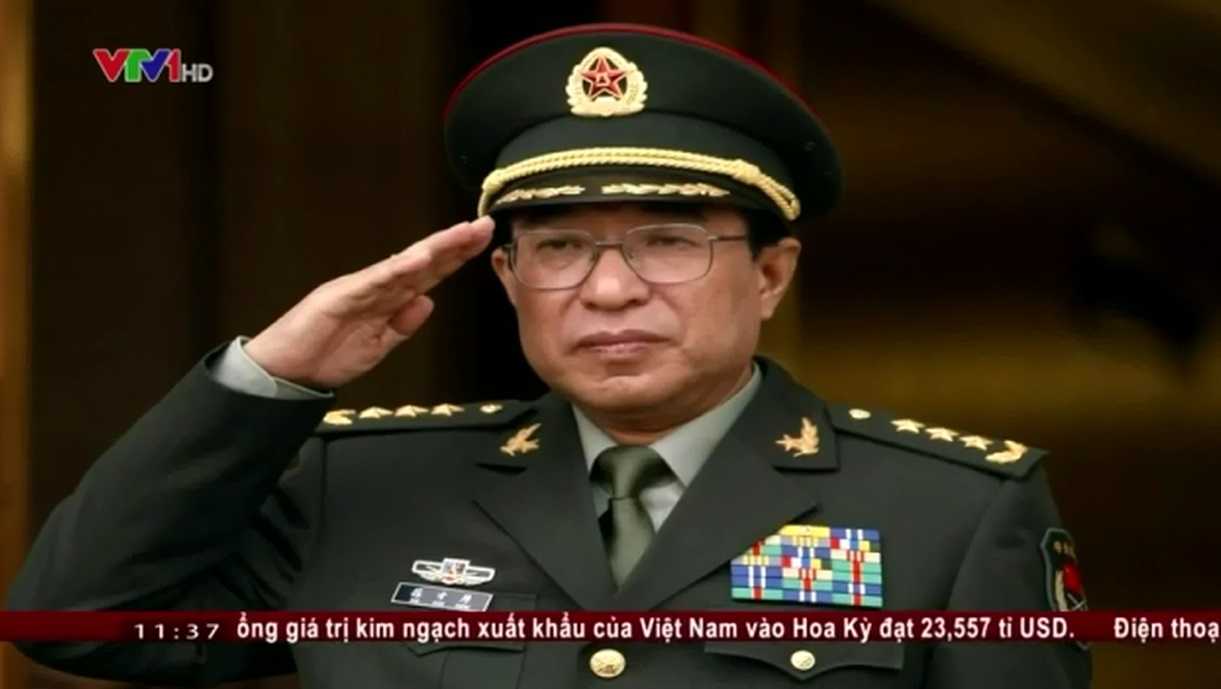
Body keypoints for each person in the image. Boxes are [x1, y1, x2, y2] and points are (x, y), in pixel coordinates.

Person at [7, 23, 1091, 688]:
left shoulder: (950, 511)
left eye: (667, 241)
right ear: (505, 276)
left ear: (770, 274)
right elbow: (78, 620)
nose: (608, 288)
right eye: (560, 248)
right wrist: (270, 379)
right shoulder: (364, 483)